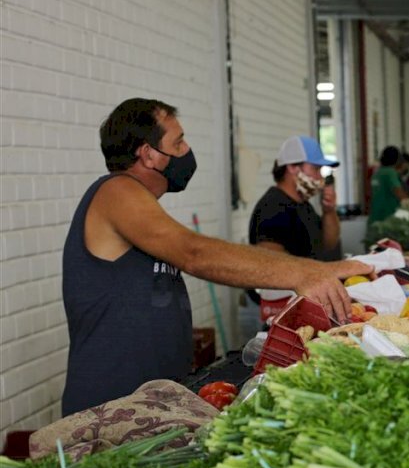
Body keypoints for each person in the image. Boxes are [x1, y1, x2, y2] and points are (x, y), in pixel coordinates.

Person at [62, 98, 371, 415]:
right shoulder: (116, 191)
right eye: (178, 142)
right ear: (149, 154)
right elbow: (195, 253)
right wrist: (306, 274)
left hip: (146, 404)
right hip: (109, 407)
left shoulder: (140, 205)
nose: (186, 150)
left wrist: (318, 270)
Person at [249, 135, 341, 262]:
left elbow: (328, 245)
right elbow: (271, 263)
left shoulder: (303, 205)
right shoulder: (273, 208)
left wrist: (329, 211)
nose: (320, 177)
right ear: (292, 167)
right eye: (316, 169)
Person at [368, 146, 407, 223]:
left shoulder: (377, 173)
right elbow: (399, 193)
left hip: (375, 218)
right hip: (388, 218)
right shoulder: (390, 173)